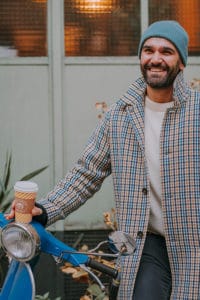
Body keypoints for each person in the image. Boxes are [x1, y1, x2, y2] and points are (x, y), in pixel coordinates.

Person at [6, 20, 200, 299]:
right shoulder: (118, 117)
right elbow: (86, 175)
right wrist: (45, 210)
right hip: (148, 245)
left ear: (181, 62)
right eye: (148, 50)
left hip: (194, 243)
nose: (155, 59)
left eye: (166, 52)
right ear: (141, 58)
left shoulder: (196, 113)